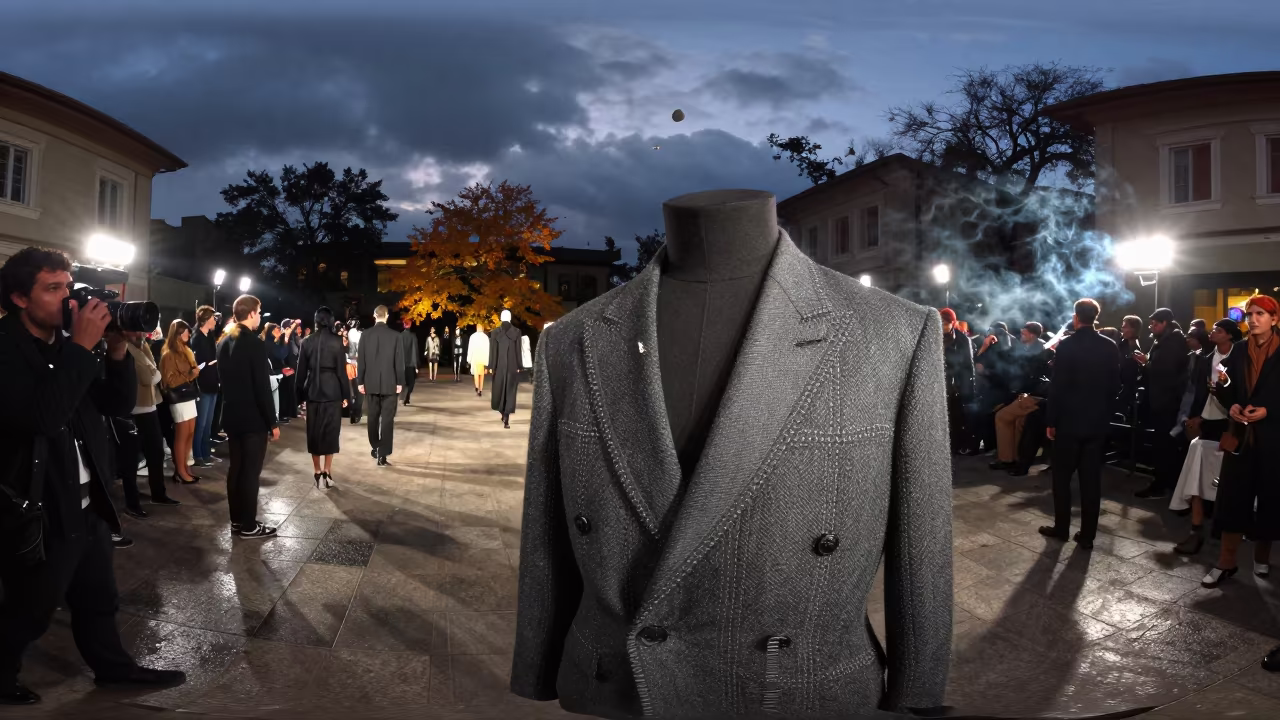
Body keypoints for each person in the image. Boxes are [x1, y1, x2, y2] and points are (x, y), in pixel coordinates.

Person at [0, 247, 186, 705]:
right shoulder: (6, 348)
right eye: (53, 288)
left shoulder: (64, 346)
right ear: (20, 298)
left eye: (69, 287)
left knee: (99, 597)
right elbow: (43, 417)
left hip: (88, 499)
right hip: (42, 504)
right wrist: (83, 347)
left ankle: (113, 669)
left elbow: (114, 405)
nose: (68, 299)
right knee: (31, 609)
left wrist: (118, 348)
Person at [1201, 296, 1280, 588]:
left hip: (1273, 438)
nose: (1253, 318)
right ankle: (1226, 562)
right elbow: (1226, 385)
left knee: (1271, 500)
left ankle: (1262, 557)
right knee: (1233, 500)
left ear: (1274, 319)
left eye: (1261, 313)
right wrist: (1231, 404)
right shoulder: (1239, 351)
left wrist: (1269, 410)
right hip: (1240, 437)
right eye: (1250, 314)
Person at [1038, 299, 1120, 550]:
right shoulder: (1110, 346)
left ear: (1076, 317)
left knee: (1062, 478)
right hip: (1096, 422)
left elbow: (1058, 387)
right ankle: (1087, 536)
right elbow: (1115, 385)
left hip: (1068, 422)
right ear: (1095, 316)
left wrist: (1051, 420)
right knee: (1091, 480)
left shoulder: (1067, 346)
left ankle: (1061, 528)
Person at [216, 294, 280, 538]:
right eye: (259, 312)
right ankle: (249, 525)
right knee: (250, 472)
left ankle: (237, 521)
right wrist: (272, 422)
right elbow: (261, 387)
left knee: (236, 469)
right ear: (251, 313)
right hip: (252, 418)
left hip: (232, 415)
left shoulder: (223, 342)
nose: (260, 316)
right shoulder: (253, 342)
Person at [1133, 308, 1190, 499]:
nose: (1151, 327)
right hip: (1162, 400)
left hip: (1167, 402)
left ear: (1164, 322)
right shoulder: (1166, 340)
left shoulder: (1172, 342)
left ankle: (1164, 485)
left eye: (1154, 323)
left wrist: (1145, 364)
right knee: (1163, 445)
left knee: (1165, 446)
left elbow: (1166, 372)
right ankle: (1165, 484)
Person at [123, 329, 180, 511]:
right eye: (136, 330)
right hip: (136, 408)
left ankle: (158, 494)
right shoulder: (125, 348)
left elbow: (154, 372)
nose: (140, 333)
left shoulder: (141, 346)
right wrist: (153, 370)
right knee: (131, 459)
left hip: (151, 406)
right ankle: (133, 503)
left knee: (156, 453)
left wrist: (145, 348)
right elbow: (150, 377)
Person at [295, 307, 349, 488]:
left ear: (316, 320)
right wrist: (346, 394)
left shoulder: (306, 341)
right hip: (332, 389)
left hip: (312, 390)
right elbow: (341, 372)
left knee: (314, 431)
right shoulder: (337, 341)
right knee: (331, 432)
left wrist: (299, 396)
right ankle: (327, 470)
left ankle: (317, 471)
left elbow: (300, 373)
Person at [357, 305, 404, 467]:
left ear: (374, 315)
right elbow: (399, 363)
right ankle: (382, 453)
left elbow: (361, 361)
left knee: (372, 417)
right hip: (390, 383)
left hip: (371, 382)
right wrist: (399, 382)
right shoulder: (396, 336)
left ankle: (376, 446)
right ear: (387, 316)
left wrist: (360, 381)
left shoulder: (365, 335)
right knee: (387, 419)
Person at [159, 319, 200, 484]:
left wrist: (194, 371)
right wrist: (191, 375)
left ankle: (186, 467)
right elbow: (169, 381)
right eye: (185, 331)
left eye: (188, 331)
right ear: (176, 333)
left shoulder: (186, 350)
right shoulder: (168, 354)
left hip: (188, 396)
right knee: (182, 435)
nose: (188, 334)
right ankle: (180, 471)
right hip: (178, 397)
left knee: (190, 432)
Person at [190, 306, 220, 467]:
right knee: (200, 423)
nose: (215, 320)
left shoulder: (209, 336)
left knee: (208, 422)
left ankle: (206, 453)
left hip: (213, 383)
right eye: (213, 317)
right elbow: (197, 364)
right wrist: (211, 364)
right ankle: (197, 455)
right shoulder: (197, 338)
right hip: (202, 385)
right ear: (206, 318)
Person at [488, 310, 523, 429]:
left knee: (499, 390)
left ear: (501, 318)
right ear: (510, 318)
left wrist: (492, 366)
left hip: (499, 366)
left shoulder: (495, 333)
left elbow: (493, 351)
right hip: (512, 366)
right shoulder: (517, 332)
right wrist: (519, 365)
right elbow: (518, 350)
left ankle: (502, 413)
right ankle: (506, 417)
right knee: (510, 391)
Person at [345, 319, 363, 424]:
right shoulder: (359, 334)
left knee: (352, 392)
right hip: (357, 365)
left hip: (350, 365)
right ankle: (356, 413)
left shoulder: (346, 335)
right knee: (358, 392)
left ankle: (353, 412)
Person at [468, 321, 490, 396]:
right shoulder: (486, 337)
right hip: (483, 358)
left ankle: (477, 386)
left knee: (476, 373)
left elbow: (470, 348)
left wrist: (469, 359)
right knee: (482, 375)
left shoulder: (473, 336)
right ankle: (480, 389)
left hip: (475, 357)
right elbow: (488, 350)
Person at [401, 320, 420, 405]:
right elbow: (415, 351)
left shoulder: (399, 336)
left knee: (404, 382)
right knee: (411, 382)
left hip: (401, 364)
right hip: (411, 364)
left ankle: (406, 397)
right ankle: (406, 396)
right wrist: (416, 365)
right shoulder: (413, 336)